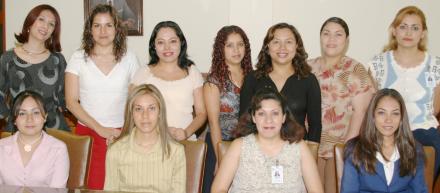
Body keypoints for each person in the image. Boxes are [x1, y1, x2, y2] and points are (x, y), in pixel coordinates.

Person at [65, 4, 140, 190]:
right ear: (90, 30)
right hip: (88, 134)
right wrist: (100, 129)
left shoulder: (130, 58)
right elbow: (71, 102)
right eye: (97, 25)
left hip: (122, 134)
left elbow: (136, 100)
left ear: (117, 28)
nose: (103, 31)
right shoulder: (78, 58)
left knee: (125, 186)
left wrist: (122, 132)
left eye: (108, 25)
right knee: (93, 187)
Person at [367, 5, 440, 179]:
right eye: (403, 27)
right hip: (386, 131)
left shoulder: (436, 65)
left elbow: (436, 108)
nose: (408, 33)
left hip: (424, 132)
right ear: (394, 31)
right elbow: (372, 106)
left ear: (423, 33)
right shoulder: (378, 64)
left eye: (415, 28)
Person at [308, 17, 375, 193]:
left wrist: (345, 148)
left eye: (338, 35)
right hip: (310, 145)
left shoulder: (355, 69)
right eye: (326, 34)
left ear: (346, 40)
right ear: (320, 37)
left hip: (339, 145)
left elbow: (361, 112)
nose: (331, 39)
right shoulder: (308, 67)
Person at [211, 89, 323, 193]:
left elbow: (316, 191)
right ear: (253, 117)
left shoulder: (299, 147)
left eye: (275, 113)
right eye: (261, 114)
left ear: (284, 117)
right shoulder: (239, 146)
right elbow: (218, 189)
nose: (268, 120)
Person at [239, 22, 322, 144]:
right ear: (267, 47)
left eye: (288, 42)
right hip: (259, 150)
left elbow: (315, 125)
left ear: (296, 46)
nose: (282, 47)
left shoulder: (309, 80)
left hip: (296, 149)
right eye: (276, 42)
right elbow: (244, 122)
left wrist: (311, 154)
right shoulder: (252, 79)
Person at [131, 21, 206, 141]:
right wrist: (159, 131)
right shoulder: (143, 73)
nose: (167, 48)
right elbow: (131, 110)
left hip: (184, 141)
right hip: (151, 141)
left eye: (173, 41)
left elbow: (201, 113)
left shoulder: (192, 72)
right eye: (161, 42)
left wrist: (185, 133)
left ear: (181, 43)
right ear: (154, 46)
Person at [341, 88, 428, 193]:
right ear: (373, 115)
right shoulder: (355, 150)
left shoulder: (414, 150)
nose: (388, 120)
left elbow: (420, 190)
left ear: (401, 118)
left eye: (395, 113)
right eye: (382, 113)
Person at [104, 84, 186, 193]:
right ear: (131, 114)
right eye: (138, 109)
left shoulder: (176, 151)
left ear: (160, 112)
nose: (145, 115)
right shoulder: (116, 150)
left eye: (151, 108)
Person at [0, 4, 69, 131]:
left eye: (51, 24)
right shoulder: (8, 58)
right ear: (30, 23)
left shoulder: (58, 60)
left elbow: (63, 99)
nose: (45, 26)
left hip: (53, 130)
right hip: (18, 130)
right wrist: (9, 117)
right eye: (41, 19)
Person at [203, 25, 253, 193]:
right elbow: (213, 122)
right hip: (220, 142)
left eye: (240, 44)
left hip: (248, 145)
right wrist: (220, 156)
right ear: (221, 49)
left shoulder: (254, 77)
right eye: (229, 45)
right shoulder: (214, 80)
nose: (236, 50)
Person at [0, 90, 69, 188]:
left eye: (36, 112)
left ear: (45, 117)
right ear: (14, 120)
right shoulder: (1, 147)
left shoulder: (58, 149)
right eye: (22, 114)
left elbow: (57, 190)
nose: (29, 119)